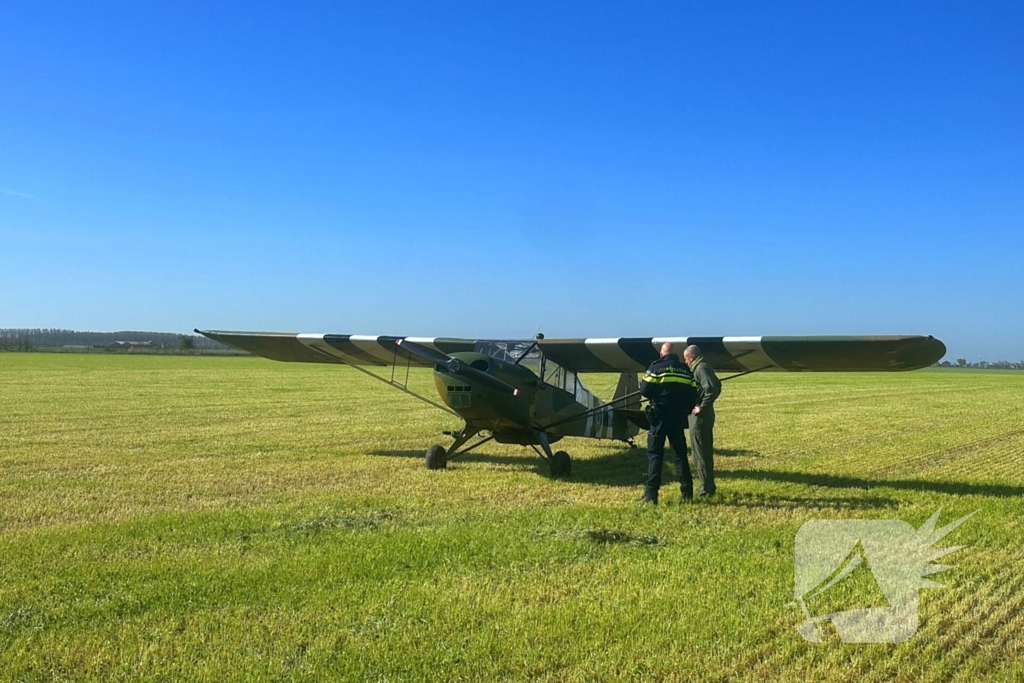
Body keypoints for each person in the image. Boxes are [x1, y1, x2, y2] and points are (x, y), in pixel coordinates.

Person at [638, 342, 698, 504]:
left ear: (661, 354)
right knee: (679, 455)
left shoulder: (656, 367)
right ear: (676, 354)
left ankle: (651, 495)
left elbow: (644, 389)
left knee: (655, 454)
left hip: (659, 417)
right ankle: (687, 493)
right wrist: (683, 408)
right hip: (677, 417)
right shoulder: (685, 370)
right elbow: (694, 393)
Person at [684, 344, 722, 496]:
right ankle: (707, 485)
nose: (686, 362)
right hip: (702, 415)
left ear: (691, 357)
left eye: (686, 359)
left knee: (700, 452)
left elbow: (713, 388)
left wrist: (701, 406)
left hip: (700, 417)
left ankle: (706, 488)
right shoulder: (703, 367)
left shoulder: (701, 368)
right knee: (702, 451)